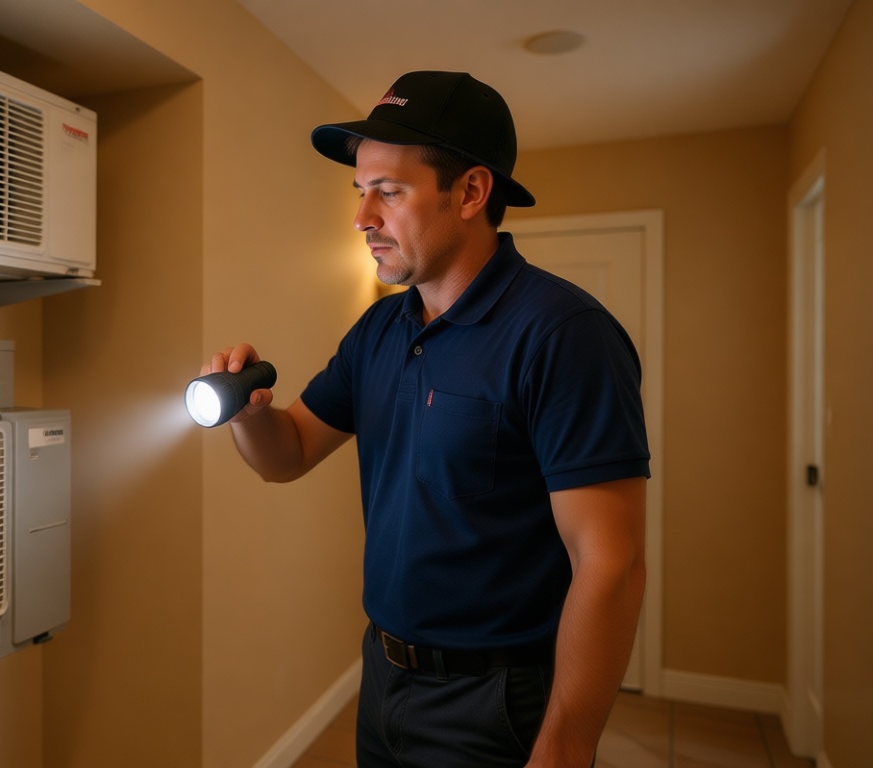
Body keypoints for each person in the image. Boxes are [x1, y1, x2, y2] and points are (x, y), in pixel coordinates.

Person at [203, 71, 650, 766]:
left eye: (389, 191)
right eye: (360, 192)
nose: (362, 219)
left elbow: (611, 563)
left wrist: (567, 743)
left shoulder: (562, 334)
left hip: (496, 702)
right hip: (382, 679)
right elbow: (286, 455)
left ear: (471, 192)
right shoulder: (380, 329)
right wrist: (246, 410)